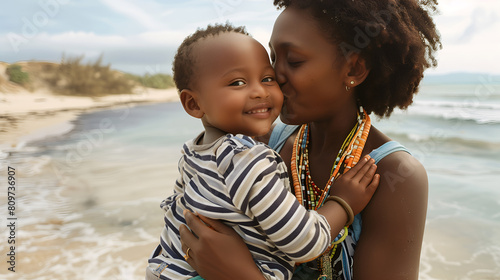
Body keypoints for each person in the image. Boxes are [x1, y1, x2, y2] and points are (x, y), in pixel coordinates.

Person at [178, 1, 441, 280]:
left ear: (353, 70)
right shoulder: (261, 146)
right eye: (273, 60)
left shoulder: (393, 175)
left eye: (293, 61)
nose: (275, 76)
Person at [146, 23, 380, 280]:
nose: (260, 91)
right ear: (193, 103)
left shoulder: (193, 151)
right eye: (237, 82)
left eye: (267, 78)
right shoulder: (248, 159)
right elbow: (305, 243)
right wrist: (343, 203)